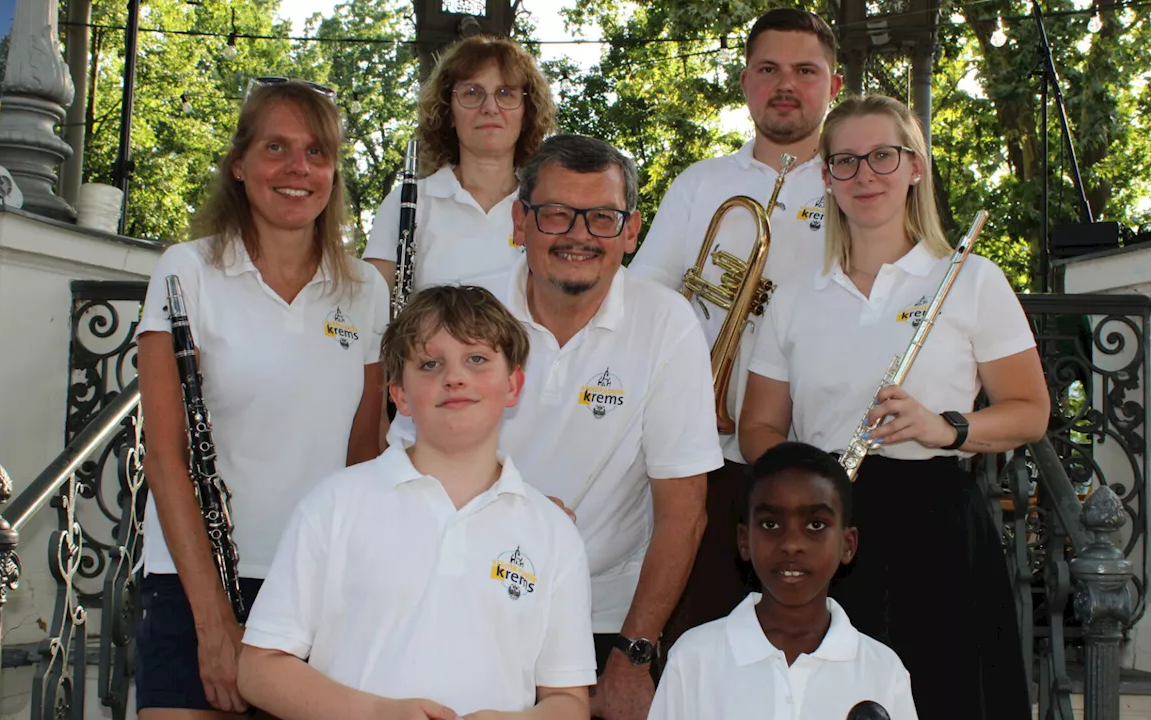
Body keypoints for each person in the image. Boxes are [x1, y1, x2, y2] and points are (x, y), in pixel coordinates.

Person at [388, 134, 724, 720]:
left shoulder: (668, 322)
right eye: (556, 214)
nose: (578, 235)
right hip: (459, 607)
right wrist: (515, 511)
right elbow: (404, 471)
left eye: (602, 217)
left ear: (631, 230)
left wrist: (633, 655)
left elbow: (684, 510)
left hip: (601, 623)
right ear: (520, 221)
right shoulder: (466, 310)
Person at [739, 95, 1049, 720]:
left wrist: (946, 428)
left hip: (936, 519)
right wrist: (809, 477)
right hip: (826, 520)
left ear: (915, 167)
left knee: (942, 695)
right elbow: (758, 428)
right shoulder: (796, 297)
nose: (865, 175)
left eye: (884, 155)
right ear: (825, 178)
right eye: (846, 161)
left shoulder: (972, 279)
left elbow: (1029, 411)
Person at [134, 78, 389, 719]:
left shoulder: (364, 289)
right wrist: (215, 622)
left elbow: (366, 454)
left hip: (316, 587)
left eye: (316, 151)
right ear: (239, 164)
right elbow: (164, 457)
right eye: (276, 147)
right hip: (193, 584)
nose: (297, 168)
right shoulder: (185, 271)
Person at [236, 286, 595, 720]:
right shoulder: (334, 505)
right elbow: (258, 670)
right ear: (399, 395)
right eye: (430, 364)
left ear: (514, 383)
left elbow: (568, 701)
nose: (455, 377)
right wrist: (376, 714)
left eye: (477, 359)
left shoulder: (553, 532)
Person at [627, 7, 844, 643]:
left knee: (815, 643)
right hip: (707, 452)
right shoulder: (703, 183)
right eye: (769, 69)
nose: (786, 84)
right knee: (700, 634)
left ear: (833, 86)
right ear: (745, 81)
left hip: (818, 451)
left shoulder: (856, 182)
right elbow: (645, 297)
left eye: (805, 71)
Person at [648, 442, 918, 720]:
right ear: (744, 541)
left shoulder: (881, 670)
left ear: (848, 545)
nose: (791, 544)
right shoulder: (695, 658)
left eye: (815, 525)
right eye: (770, 524)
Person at [364, 34, 556, 290]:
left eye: (506, 93)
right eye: (472, 92)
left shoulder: (550, 209)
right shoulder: (407, 203)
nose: (490, 107)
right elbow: (372, 316)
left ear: (526, 112)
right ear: (449, 111)